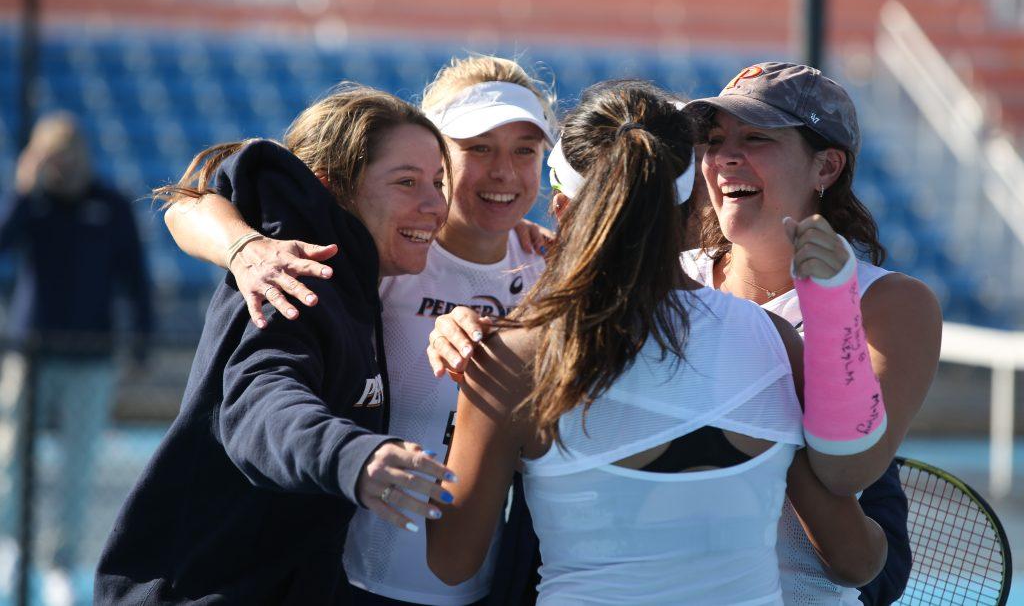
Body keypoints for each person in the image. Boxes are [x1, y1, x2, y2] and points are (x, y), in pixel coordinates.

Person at [424, 80, 886, 604]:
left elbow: (451, 561)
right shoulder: (774, 339)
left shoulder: (511, 359)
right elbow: (856, 560)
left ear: (561, 209)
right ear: (691, 207)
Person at [160, 55, 557, 605]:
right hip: (345, 580)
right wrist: (243, 247)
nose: (504, 171)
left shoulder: (552, 268)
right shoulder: (370, 256)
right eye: (478, 148)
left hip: (485, 587)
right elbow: (195, 207)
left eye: (525, 150)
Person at [94, 84, 457, 605]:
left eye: (439, 183)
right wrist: (352, 456)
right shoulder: (295, 279)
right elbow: (259, 400)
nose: (435, 205)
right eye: (407, 182)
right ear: (337, 188)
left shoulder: (354, 280)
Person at [679, 62, 941, 605]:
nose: (724, 157)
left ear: (826, 166)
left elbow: (850, 472)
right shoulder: (667, 277)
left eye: (755, 137)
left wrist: (827, 308)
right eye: (714, 139)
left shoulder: (894, 304)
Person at [0, 113, 153, 605]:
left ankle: (60, 560)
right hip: (32, 352)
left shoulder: (108, 205)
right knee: (9, 455)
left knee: (78, 462)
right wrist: (23, 189)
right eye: (53, 152)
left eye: (69, 150)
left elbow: (134, 276)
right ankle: (9, 545)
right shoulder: (33, 205)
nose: (63, 162)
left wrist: (140, 342)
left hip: (91, 354)